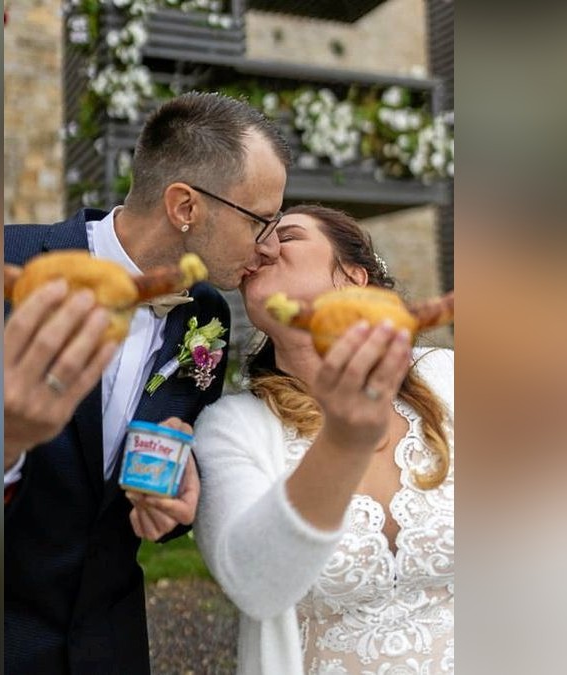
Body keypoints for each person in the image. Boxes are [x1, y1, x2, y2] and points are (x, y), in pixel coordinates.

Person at [3, 92, 291, 674]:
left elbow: (158, 469)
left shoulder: (206, 315)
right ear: (185, 206)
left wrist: (172, 509)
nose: (273, 246)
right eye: (261, 221)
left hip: (111, 646)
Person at [182, 205, 455, 673]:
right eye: (257, 241)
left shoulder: (448, 377)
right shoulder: (233, 427)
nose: (263, 247)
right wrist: (343, 443)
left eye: (286, 236)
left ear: (352, 276)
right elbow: (256, 585)